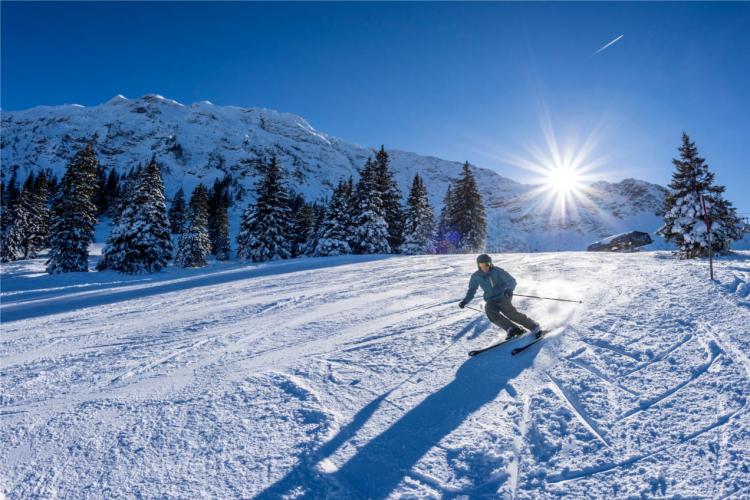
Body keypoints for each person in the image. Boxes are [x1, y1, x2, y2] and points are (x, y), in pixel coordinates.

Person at [459, 254, 541, 340]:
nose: (485, 267)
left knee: (511, 314)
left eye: (487, 264)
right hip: (490, 300)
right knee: (490, 312)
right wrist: (465, 301)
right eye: (482, 265)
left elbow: (511, 280)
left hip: (502, 296)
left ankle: (534, 326)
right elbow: (472, 290)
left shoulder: (497, 271)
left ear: (490, 264)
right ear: (478, 265)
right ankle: (513, 329)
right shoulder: (476, 276)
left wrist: (509, 290)